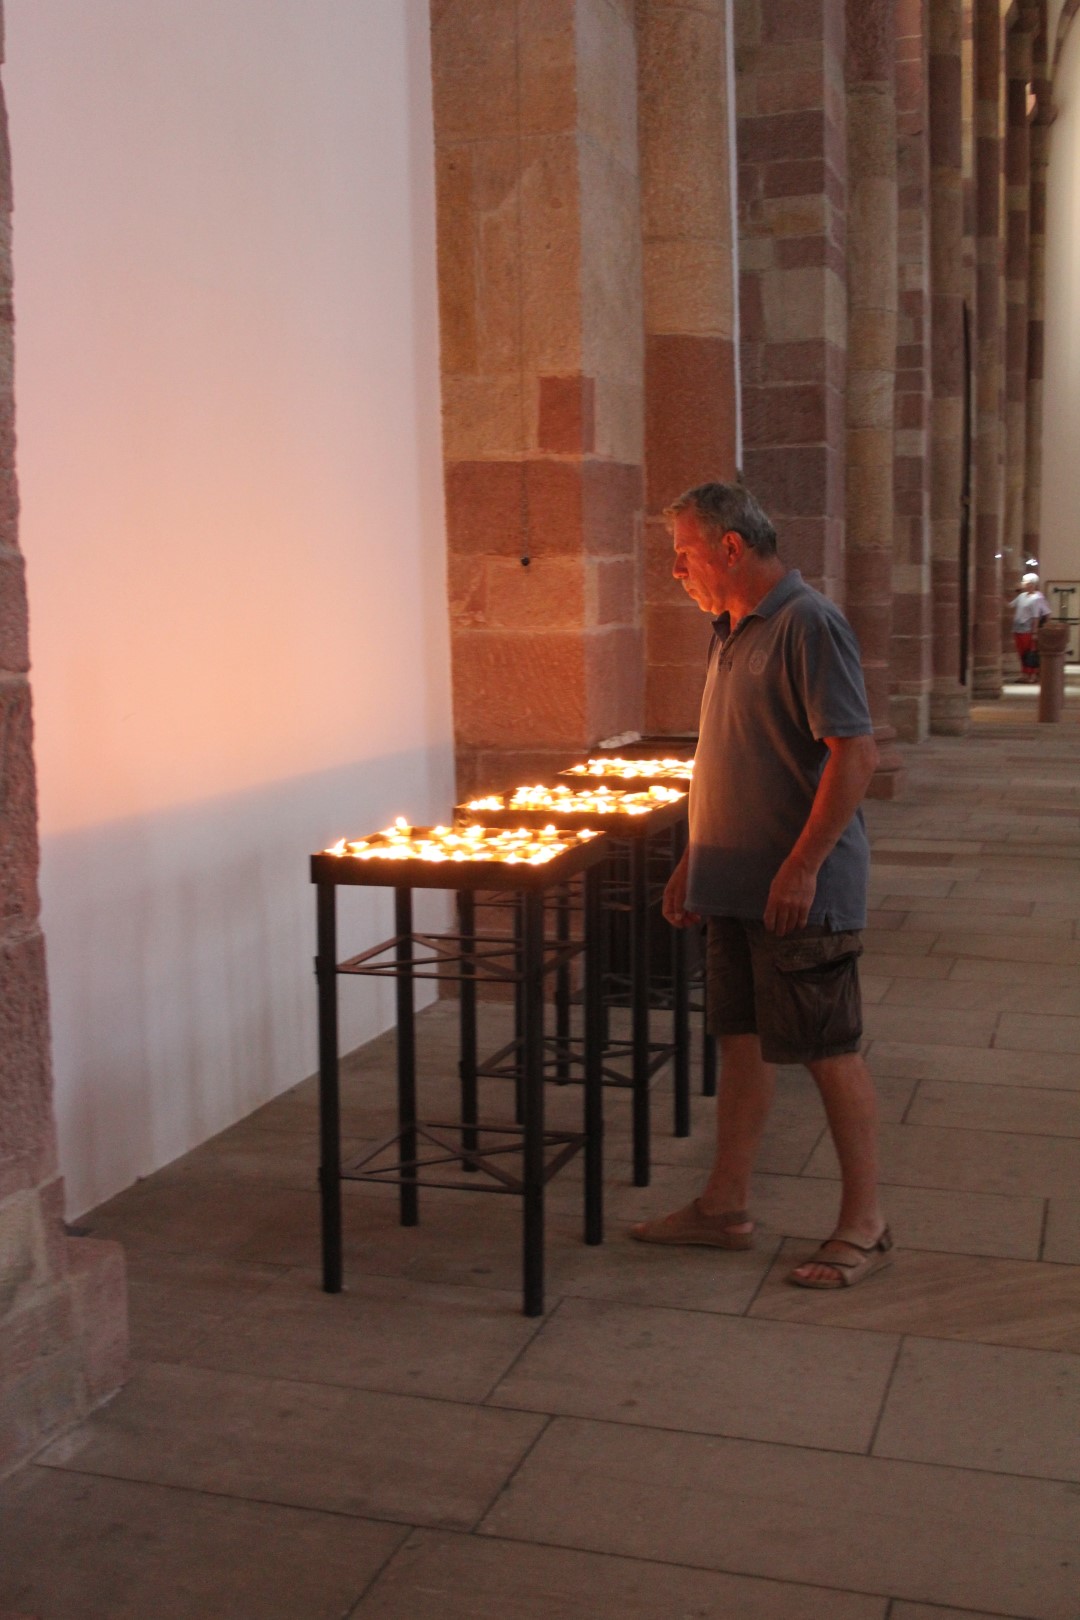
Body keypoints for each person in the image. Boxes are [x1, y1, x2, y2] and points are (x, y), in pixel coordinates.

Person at [631, 482, 891, 1288]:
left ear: (731, 547)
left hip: (798, 891)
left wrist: (804, 863)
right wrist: (693, 861)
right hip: (736, 885)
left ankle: (865, 1223)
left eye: (683, 554)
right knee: (739, 1046)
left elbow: (855, 753)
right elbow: (728, 760)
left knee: (827, 1050)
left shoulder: (808, 624)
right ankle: (724, 1205)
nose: (676, 571)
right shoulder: (730, 629)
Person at [1010, 573, 1051, 684]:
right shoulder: (1022, 596)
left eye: (1024, 582)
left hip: (1028, 629)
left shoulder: (1037, 598)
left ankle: (1032, 675)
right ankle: (1024, 674)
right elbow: (1010, 605)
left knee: (1030, 653)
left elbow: (1039, 615)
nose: (1022, 584)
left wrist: (1036, 631)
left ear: (1031, 584)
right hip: (1018, 628)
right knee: (1022, 653)